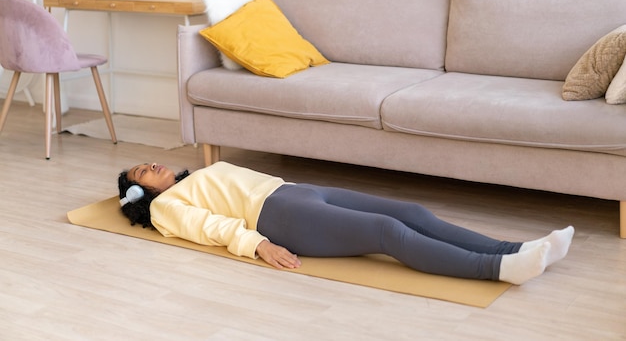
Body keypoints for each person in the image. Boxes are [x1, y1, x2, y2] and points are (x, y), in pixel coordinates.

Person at [117, 161, 575, 285]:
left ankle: (511, 249)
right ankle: (497, 270)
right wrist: (256, 245)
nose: (151, 166)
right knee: (388, 234)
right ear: (140, 194)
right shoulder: (166, 207)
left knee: (411, 212)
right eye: (142, 172)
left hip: (295, 191)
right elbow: (209, 227)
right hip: (278, 216)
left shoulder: (192, 175)